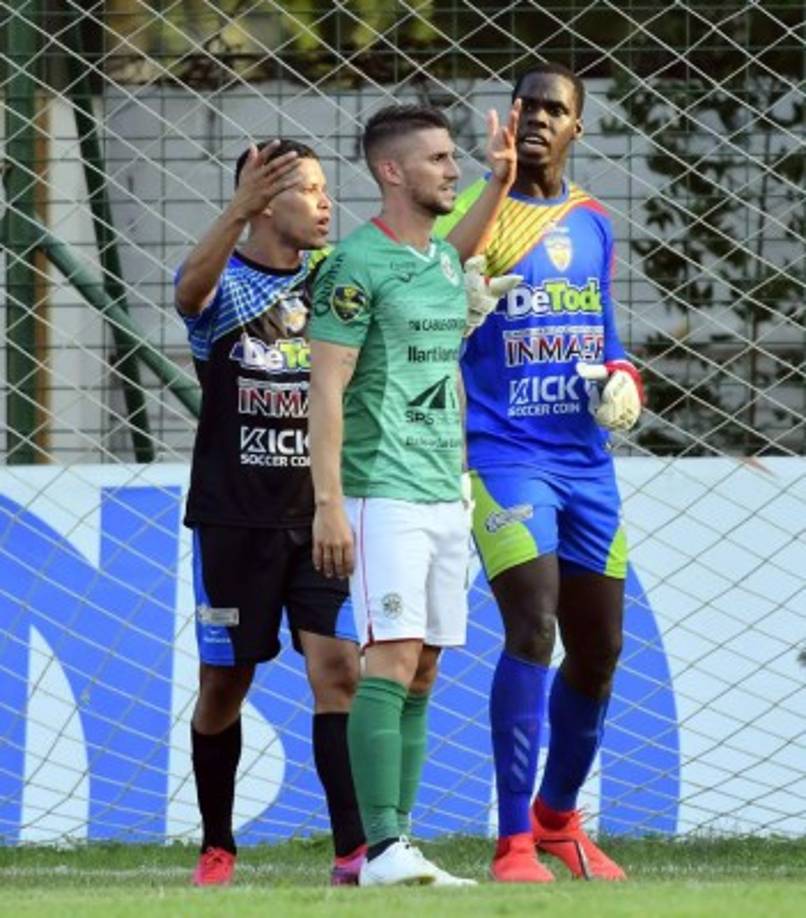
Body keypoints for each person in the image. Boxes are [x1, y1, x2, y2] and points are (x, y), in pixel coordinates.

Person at [438, 62, 644, 883]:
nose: (535, 119)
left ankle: (560, 821)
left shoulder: (593, 222)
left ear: (575, 129)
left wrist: (624, 378)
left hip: (585, 462)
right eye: (525, 105)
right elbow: (425, 326)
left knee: (601, 649)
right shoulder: (474, 213)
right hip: (505, 454)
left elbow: (607, 332)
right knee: (535, 627)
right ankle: (513, 840)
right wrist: (460, 302)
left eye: (553, 110)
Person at [307, 104, 519, 887]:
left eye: (453, 158)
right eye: (436, 159)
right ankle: (381, 847)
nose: (450, 169)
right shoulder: (353, 268)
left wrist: (500, 181)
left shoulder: (433, 261)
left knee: (424, 667)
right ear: (391, 171)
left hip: (442, 491)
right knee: (388, 658)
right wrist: (329, 502)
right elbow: (324, 388)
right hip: (379, 491)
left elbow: (454, 251)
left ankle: (399, 846)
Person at [174, 139, 366, 887]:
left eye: (326, 188)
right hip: (232, 521)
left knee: (337, 671)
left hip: (319, 514)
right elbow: (186, 294)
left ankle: (352, 851)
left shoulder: (337, 278)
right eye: (309, 190)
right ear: (265, 202)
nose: (325, 204)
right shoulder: (222, 285)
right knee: (226, 684)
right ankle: (217, 843)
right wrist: (238, 207)